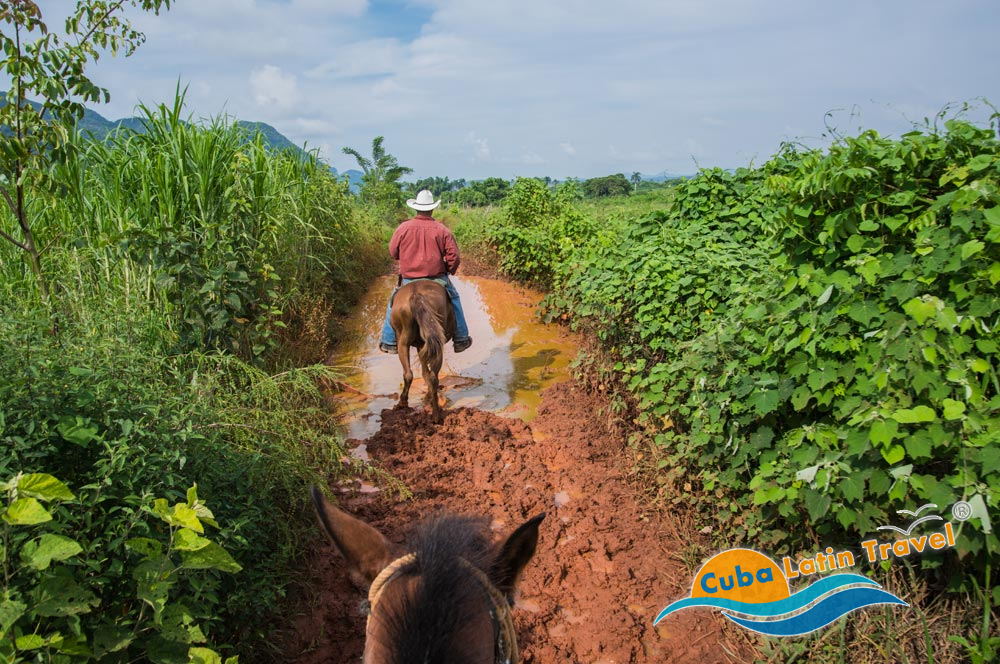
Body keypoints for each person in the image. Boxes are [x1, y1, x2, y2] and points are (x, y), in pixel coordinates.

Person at [379, 190, 473, 354]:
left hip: (409, 279)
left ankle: (389, 342)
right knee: (455, 298)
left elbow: (393, 252)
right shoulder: (442, 229)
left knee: (393, 301)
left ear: (416, 208)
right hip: (437, 279)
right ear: (432, 209)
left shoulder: (403, 228)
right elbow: (454, 256)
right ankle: (461, 339)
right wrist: (449, 270)